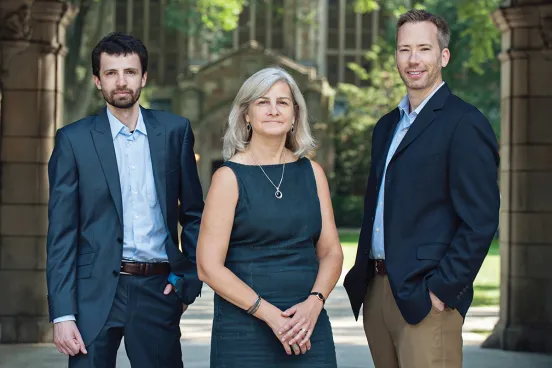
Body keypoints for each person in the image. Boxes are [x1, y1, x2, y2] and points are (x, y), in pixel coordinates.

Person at [343, 9, 500, 368]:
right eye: (404, 49)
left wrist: (443, 290)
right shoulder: (386, 126)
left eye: (424, 49)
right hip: (377, 290)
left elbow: (481, 220)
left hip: (426, 298)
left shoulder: (465, 123)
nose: (413, 59)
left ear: (443, 56)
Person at [46, 32, 204, 367]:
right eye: (111, 73)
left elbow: (193, 214)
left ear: (143, 77)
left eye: (130, 72)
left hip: (157, 288)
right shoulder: (73, 140)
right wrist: (62, 314)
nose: (121, 82)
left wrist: (188, 280)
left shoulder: (175, 132)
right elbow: (61, 233)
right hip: (92, 294)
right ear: (96, 80)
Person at [196, 67, 343, 367]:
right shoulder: (228, 177)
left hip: (308, 327)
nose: (273, 110)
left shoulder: (313, 174)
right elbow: (208, 267)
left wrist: (315, 304)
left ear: (294, 116)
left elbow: (331, 252)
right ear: (246, 115)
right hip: (245, 330)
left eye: (283, 102)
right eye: (263, 102)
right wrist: (273, 317)